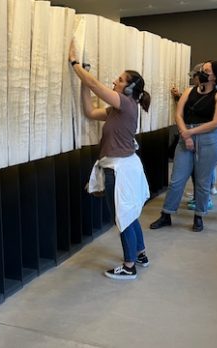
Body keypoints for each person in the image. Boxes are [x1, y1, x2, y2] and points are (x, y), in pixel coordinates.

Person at [69, 41, 151, 280]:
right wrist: (83, 80)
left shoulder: (125, 103)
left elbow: (95, 85)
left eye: (120, 80)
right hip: (123, 167)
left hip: (121, 169)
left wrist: (76, 64)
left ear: (128, 88)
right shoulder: (118, 109)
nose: (116, 82)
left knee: (123, 216)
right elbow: (89, 111)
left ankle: (129, 266)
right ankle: (141, 254)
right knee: (130, 213)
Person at [150, 61, 217, 232]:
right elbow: (178, 114)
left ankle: (199, 216)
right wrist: (186, 133)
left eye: (206, 70)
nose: (201, 72)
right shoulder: (188, 91)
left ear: (214, 76)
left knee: (202, 181)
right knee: (177, 180)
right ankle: (166, 214)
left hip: (209, 140)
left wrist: (190, 134)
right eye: (202, 69)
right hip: (186, 136)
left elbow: (215, 123)